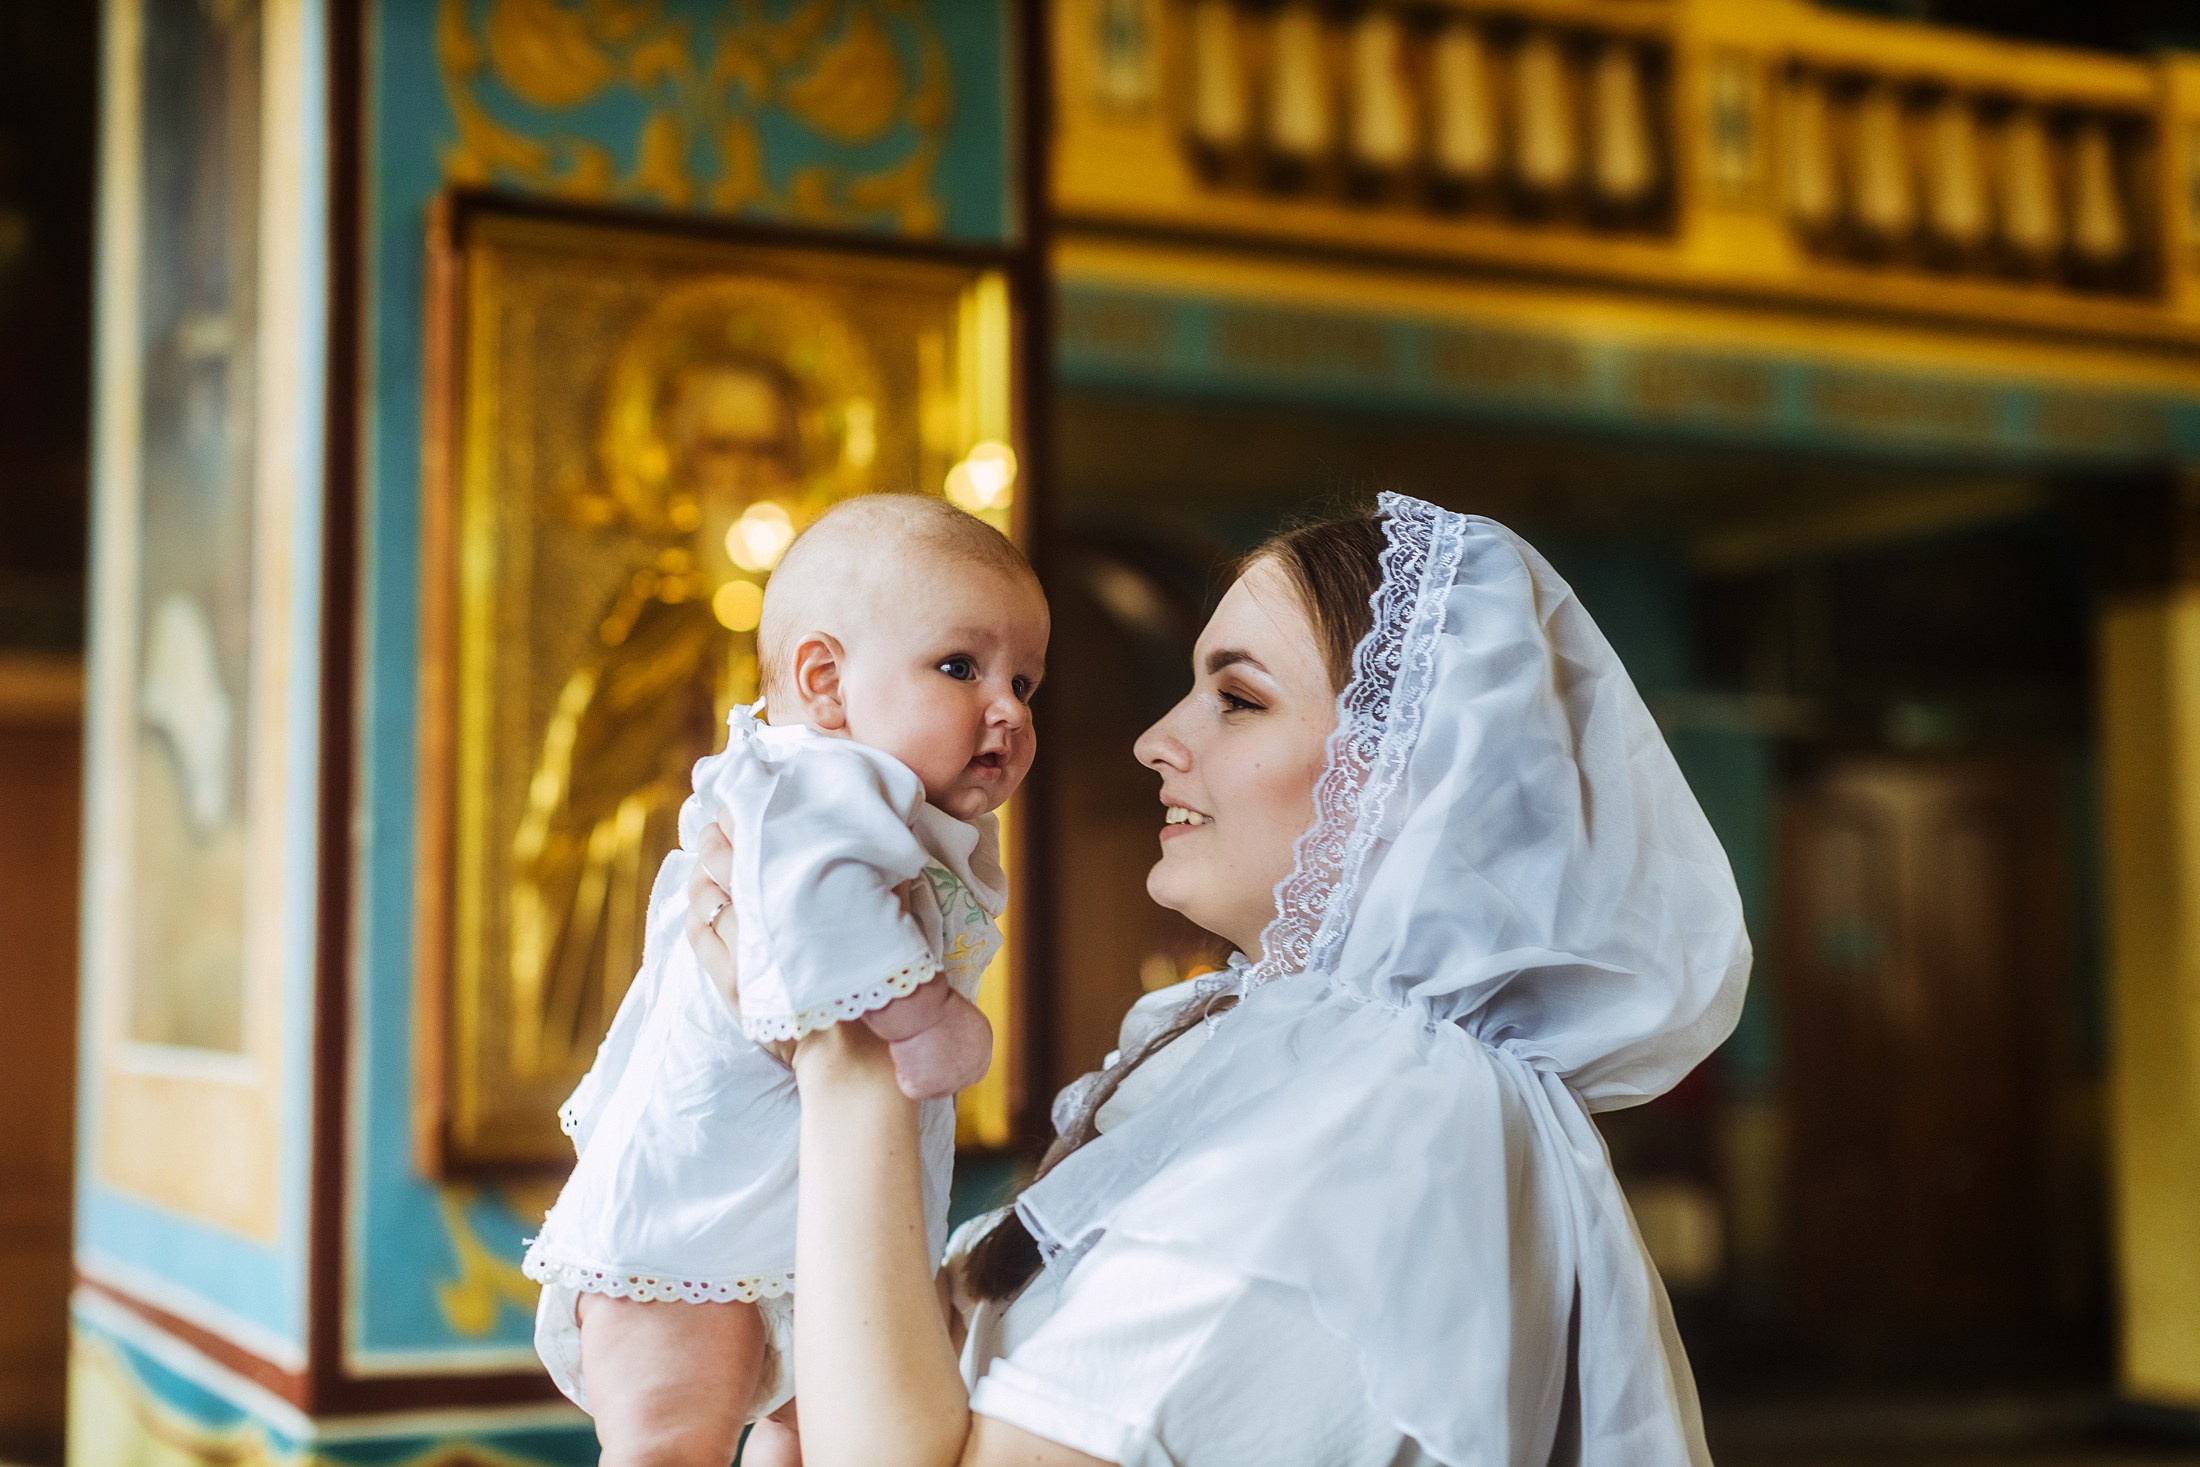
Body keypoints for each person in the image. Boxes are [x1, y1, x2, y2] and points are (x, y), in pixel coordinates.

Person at [688, 491, 1751, 1467]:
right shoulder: (1257, 1064)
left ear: (1413, 780)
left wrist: (849, 1049)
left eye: (1236, 700)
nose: (1156, 741)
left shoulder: (1376, 1125)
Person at [524, 494, 1051, 1467]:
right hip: (686, 1234)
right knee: (663, 1445)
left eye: (1025, 681)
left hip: (800, 1230)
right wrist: (920, 1011)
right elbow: (813, 910)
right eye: (960, 667)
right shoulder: (807, 783)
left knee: (810, 1434)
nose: (1008, 710)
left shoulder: (884, 804)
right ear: (825, 681)